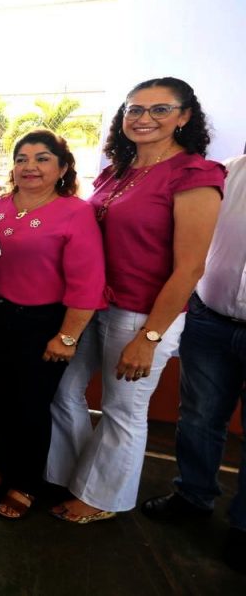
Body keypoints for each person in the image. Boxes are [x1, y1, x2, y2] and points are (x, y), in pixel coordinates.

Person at [46, 77, 226, 524]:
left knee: (122, 410)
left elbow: (190, 268)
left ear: (184, 117)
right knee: (64, 392)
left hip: (141, 313)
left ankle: (103, 497)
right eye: (134, 109)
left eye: (159, 109)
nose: (144, 118)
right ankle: (72, 475)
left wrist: (149, 337)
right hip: (92, 304)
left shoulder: (194, 174)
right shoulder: (118, 171)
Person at [0, 130, 106, 519]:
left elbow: (88, 281)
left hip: (43, 323)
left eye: (42, 158)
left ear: (62, 168)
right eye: (22, 159)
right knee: (4, 398)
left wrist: (67, 336)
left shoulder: (75, 212)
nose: (29, 166)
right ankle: (3, 465)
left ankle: (26, 482)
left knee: (32, 405)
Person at [140, 153, 246, 573]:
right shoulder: (227, 171)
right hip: (210, 316)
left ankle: (244, 525)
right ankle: (193, 495)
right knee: (200, 415)